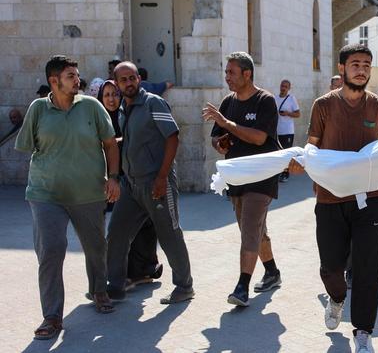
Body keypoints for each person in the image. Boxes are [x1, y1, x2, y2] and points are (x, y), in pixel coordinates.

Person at [288, 44, 378, 353]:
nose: (362, 69)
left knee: (368, 268)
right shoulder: (323, 106)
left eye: (367, 64)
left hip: (369, 198)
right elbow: (312, 147)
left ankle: (363, 333)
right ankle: (335, 299)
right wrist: (301, 163)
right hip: (330, 198)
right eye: (356, 63)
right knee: (330, 268)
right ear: (342, 68)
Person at [14, 55, 120, 339]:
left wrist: (114, 177)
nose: (77, 80)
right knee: (50, 250)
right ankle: (52, 315)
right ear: (54, 81)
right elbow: (27, 146)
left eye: (77, 75)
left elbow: (110, 144)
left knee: (96, 246)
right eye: (71, 76)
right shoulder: (38, 109)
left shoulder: (92, 106)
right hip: (45, 193)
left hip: (88, 193)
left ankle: (99, 290)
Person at [106, 61, 194, 305]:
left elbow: (172, 137)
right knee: (117, 232)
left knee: (169, 234)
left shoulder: (153, 102)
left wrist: (162, 176)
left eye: (132, 78)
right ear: (116, 83)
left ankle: (184, 286)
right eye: (123, 80)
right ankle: (114, 285)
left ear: (138, 79)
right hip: (131, 185)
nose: (129, 83)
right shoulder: (125, 107)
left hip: (156, 182)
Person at [202, 52, 282, 307]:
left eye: (231, 73)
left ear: (247, 74)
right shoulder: (228, 102)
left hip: (262, 176)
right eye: (226, 72)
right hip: (236, 177)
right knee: (255, 230)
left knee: (249, 227)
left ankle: (242, 286)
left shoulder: (265, 100)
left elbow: (259, 138)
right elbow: (216, 136)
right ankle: (272, 271)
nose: (227, 77)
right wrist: (219, 142)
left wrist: (228, 124)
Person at [97, 80, 163, 290]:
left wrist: (114, 142)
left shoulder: (129, 114)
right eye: (106, 94)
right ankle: (120, 274)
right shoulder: (99, 119)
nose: (111, 99)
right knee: (118, 229)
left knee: (142, 228)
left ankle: (143, 270)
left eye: (115, 94)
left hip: (135, 179)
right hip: (110, 183)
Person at [275, 79, 300, 182]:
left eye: (285, 86)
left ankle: (285, 174)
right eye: (282, 86)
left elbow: (298, 114)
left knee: (286, 152)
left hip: (288, 131)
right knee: (278, 152)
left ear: (289, 88)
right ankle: (279, 172)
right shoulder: (275, 98)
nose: (283, 88)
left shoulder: (291, 99)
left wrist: (287, 113)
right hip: (277, 130)